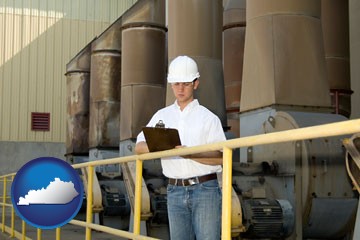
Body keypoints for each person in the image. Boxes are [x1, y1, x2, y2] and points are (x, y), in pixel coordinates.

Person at [135, 55, 226, 240]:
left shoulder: (209, 119)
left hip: (205, 189)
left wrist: (187, 153)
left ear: (196, 84)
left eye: (185, 83)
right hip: (174, 190)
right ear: (171, 85)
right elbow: (139, 147)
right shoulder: (162, 116)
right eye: (176, 83)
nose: (180, 88)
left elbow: (221, 157)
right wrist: (163, 146)